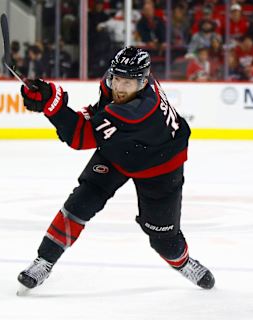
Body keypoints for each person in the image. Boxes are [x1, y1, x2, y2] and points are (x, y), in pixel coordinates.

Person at [16, 46, 215, 294]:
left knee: (164, 241)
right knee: (81, 202)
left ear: (143, 82)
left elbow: (79, 137)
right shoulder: (117, 87)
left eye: (128, 83)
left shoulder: (139, 111)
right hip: (120, 151)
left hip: (160, 165)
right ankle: (44, 261)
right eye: (117, 78)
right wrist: (51, 100)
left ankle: (184, 262)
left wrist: (53, 106)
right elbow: (100, 113)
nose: (119, 88)